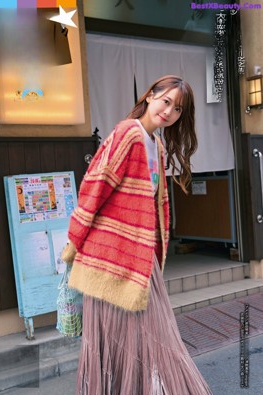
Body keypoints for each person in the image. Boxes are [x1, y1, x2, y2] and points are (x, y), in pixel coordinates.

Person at [62, 75, 212, 394]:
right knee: (126, 345)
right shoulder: (128, 133)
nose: (169, 111)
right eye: (166, 101)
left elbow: (156, 207)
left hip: (140, 261)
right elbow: (94, 187)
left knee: (153, 340)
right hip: (111, 259)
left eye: (178, 109)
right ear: (150, 97)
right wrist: (73, 243)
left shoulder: (155, 144)